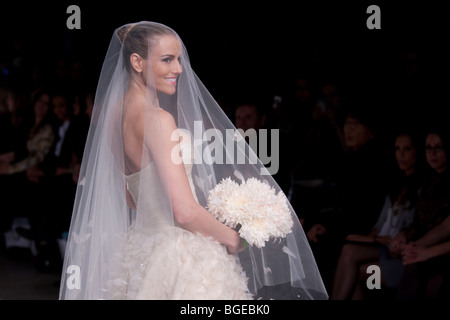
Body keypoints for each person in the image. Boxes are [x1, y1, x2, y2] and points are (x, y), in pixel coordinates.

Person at [59, 21, 327, 300]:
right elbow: (184, 212)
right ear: (137, 62)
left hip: (139, 252)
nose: (179, 69)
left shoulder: (115, 114)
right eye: (167, 60)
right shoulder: (159, 120)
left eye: (178, 59)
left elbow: (129, 197)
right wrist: (232, 238)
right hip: (179, 256)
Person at [330, 129, 424, 299]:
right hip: (384, 244)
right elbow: (382, 224)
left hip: (399, 252)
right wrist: (375, 236)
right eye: (397, 149)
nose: (401, 155)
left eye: (407, 149)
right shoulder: (396, 185)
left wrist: (386, 238)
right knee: (347, 252)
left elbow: (412, 229)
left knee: (351, 257)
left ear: (417, 151)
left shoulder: (422, 188)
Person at [395, 124, 450, 299]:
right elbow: (445, 226)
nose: (433, 153)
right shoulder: (430, 182)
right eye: (428, 148)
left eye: (438, 148)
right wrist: (417, 247)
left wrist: (425, 251)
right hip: (429, 248)